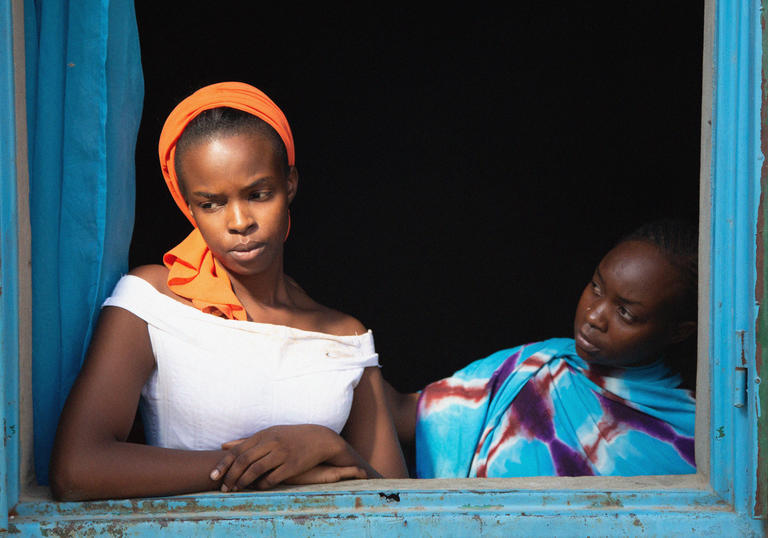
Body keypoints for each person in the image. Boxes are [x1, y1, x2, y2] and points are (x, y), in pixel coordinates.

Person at [50, 82, 407, 501]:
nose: (239, 221)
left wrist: (329, 445)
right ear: (187, 204)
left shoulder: (345, 337)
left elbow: (399, 503)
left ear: (289, 183)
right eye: (211, 203)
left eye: (258, 194)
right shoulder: (151, 302)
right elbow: (78, 469)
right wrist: (264, 471)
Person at [385, 219, 698, 478]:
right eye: (596, 287)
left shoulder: (700, 441)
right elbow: (406, 414)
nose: (593, 316)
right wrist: (347, 337)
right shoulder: (537, 366)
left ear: (678, 332)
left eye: (625, 313)